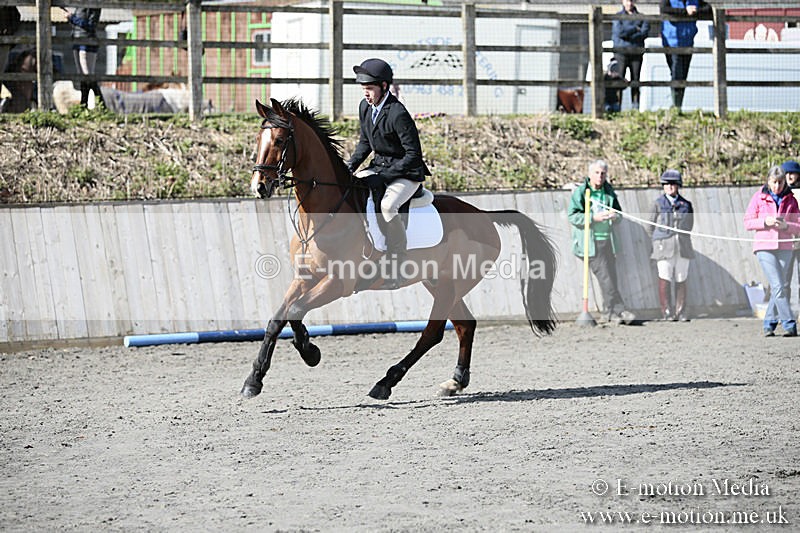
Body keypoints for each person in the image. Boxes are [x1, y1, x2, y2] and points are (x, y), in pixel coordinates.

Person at [346, 58, 430, 288]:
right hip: (380, 167)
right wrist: (349, 167)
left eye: (370, 88)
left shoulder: (397, 113)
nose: (366, 93)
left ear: (384, 86)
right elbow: (365, 143)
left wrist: (384, 176)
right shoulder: (365, 107)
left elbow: (413, 155)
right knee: (350, 190)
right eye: (363, 89)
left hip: (407, 172)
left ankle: (398, 260)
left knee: (387, 206)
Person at [568, 160, 636, 324]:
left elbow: (619, 214)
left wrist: (615, 216)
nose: (600, 176)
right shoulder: (581, 192)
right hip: (590, 244)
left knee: (611, 277)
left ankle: (608, 313)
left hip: (608, 241)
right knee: (606, 278)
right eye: (597, 173)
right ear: (590, 174)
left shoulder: (609, 192)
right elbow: (573, 216)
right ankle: (620, 310)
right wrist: (593, 218)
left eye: (603, 173)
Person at [743, 165, 800, 337]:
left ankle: (768, 323)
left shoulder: (791, 200)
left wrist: (786, 226)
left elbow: (798, 225)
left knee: (780, 286)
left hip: (785, 246)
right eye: (774, 182)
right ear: (768, 181)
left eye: (780, 183)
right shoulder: (758, 198)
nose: (777, 186)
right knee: (778, 285)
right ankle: (789, 323)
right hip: (764, 247)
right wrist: (765, 222)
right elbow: (747, 222)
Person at [647, 169, 695, 321]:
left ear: (678, 185)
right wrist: (657, 241)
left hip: (682, 246)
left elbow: (689, 225)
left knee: (681, 277)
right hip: (663, 246)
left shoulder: (686, 205)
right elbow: (650, 226)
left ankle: (681, 311)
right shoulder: (657, 204)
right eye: (666, 184)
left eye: (673, 184)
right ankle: (666, 311)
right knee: (665, 276)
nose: (669, 187)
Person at [659, 0, 711, 111]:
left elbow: (708, 8)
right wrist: (685, 11)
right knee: (676, 73)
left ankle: (678, 105)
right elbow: (664, 9)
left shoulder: (693, 1)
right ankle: (676, 105)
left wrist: (696, 11)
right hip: (672, 42)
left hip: (688, 42)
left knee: (683, 75)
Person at [64, 7, 105, 108]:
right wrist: (71, 19)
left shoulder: (94, 6)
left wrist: (72, 18)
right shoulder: (79, 5)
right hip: (77, 40)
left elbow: (90, 26)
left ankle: (101, 104)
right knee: (82, 75)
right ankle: (84, 104)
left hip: (87, 41)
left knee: (88, 74)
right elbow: (78, 24)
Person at [612, 0, 650, 110]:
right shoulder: (617, 16)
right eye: (627, 1)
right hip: (621, 53)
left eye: (631, 1)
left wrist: (628, 34)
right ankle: (617, 107)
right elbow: (620, 32)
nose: (629, 3)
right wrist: (635, 28)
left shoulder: (642, 17)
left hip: (636, 53)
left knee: (635, 80)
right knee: (619, 81)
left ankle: (635, 107)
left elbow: (644, 33)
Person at [781, 159, 800, 307]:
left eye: (792, 173)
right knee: (783, 280)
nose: (789, 176)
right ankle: (784, 311)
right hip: (785, 240)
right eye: (786, 173)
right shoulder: (780, 193)